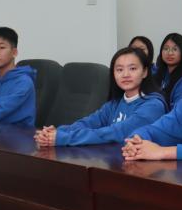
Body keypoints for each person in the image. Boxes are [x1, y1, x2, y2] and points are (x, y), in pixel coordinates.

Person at [35, 47, 166, 147]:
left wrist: (63, 138)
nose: (125, 74)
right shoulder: (115, 103)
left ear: (145, 72)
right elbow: (90, 122)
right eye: (119, 70)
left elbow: (115, 133)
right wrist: (58, 131)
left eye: (132, 69)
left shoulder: (153, 105)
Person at [156, 33, 182, 108]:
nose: (170, 53)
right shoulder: (160, 74)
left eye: (175, 49)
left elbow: (181, 111)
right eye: (166, 49)